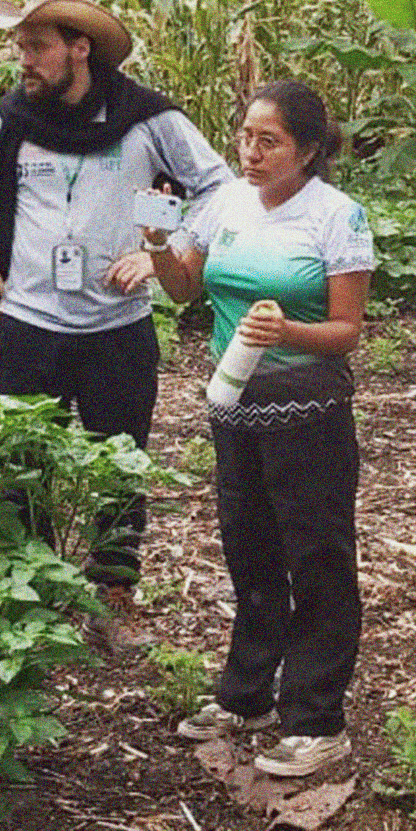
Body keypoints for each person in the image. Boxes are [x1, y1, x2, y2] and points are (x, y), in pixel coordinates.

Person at [0, 0, 232, 650]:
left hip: (117, 329)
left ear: (80, 49)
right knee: (22, 461)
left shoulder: (146, 120)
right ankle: (31, 597)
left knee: (120, 464)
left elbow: (218, 185)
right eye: (20, 47)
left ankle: (113, 597)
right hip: (29, 325)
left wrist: (168, 253)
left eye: (36, 47)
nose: (23, 61)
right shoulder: (12, 119)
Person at [149, 81, 372, 777]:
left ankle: (315, 716)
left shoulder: (336, 216)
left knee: (318, 559)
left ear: (307, 150)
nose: (251, 151)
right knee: (249, 551)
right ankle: (247, 694)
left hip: (309, 414)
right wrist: (156, 241)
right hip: (234, 405)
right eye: (245, 136)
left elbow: (346, 331)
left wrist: (290, 330)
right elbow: (185, 288)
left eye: (268, 141)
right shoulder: (226, 204)